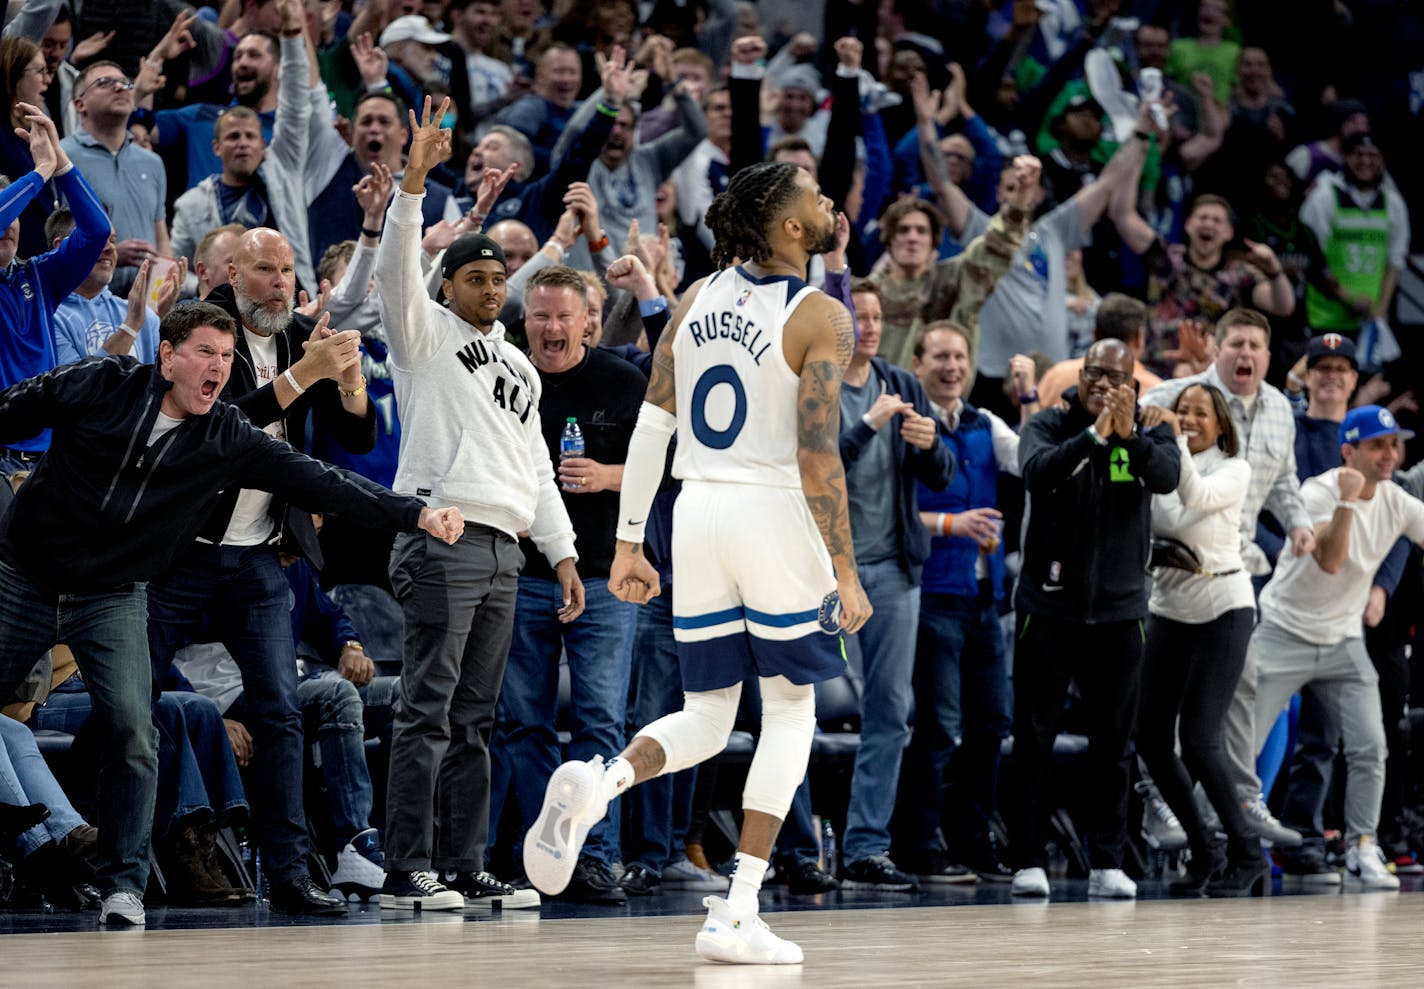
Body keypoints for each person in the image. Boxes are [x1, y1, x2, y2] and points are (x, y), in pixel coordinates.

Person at [0, 300, 464, 926]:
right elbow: (9, 411)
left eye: (226, 357)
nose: (218, 368)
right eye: (205, 354)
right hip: (21, 576)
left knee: (137, 733)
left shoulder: (225, 436)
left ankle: (122, 888)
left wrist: (415, 513)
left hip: (111, 593)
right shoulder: (99, 382)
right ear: (167, 357)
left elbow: (323, 480)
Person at [526, 159, 871, 965]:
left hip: (697, 511)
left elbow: (652, 425)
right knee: (790, 713)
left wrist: (630, 543)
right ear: (789, 226)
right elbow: (819, 453)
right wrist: (844, 570)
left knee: (711, 713)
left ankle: (602, 782)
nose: (827, 204)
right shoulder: (820, 314)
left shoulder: (696, 299)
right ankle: (740, 908)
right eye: (814, 196)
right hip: (773, 508)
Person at [374, 97, 582, 912]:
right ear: (448, 285)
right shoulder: (421, 334)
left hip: (503, 546)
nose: (493, 289)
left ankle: (462, 862)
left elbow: (534, 465)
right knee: (426, 709)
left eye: (501, 279)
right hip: (440, 532)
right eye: (477, 278)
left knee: (475, 717)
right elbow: (396, 268)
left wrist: (560, 553)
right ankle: (405, 866)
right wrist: (414, 185)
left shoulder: (521, 370)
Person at [1010, 338, 1180, 900]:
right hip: (1049, 606)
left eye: (1115, 376)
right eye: (1093, 374)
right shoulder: (1050, 426)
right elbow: (1036, 474)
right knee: (1034, 736)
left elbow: (1166, 477)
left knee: (1114, 743)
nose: (1102, 384)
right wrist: (1094, 435)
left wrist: (1128, 432)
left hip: (1121, 611)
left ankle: (1107, 862)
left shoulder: (1152, 430)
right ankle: (1028, 860)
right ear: (1078, 378)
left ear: (1133, 383)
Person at [1141, 308, 1316, 846]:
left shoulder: (1282, 410)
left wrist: (1299, 523)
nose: (1245, 354)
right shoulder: (1174, 396)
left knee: (1243, 686)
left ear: (1268, 355)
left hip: (1235, 568)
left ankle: (1240, 801)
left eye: (1255, 346)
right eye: (1236, 343)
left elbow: (1284, 480)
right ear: (1216, 347)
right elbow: (1130, 428)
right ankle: (1160, 802)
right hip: (1169, 567)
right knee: (1169, 702)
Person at [1250, 405, 1424, 891]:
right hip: (1286, 630)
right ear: (1350, 451)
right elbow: (1330, 561)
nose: (1390, 455)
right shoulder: (1317, 491)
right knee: (1244, 741)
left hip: (1343, 641)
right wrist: (1347, 504)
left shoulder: (1399, 501)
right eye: (1377, 445)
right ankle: (1213, 837)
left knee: (1372, 745)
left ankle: (1361, 846)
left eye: (1394, 444)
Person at [898, 322, 1035, 884]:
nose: (952, 366)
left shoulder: (983, 423)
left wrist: (1028, 399)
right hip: (933, 592)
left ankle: (974, 842)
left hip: (985, 597)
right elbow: (891, 511)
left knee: (990, 726)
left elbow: (1032, 459)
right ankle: (919, 847)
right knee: (938, 728)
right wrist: (952, 523)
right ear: (919, 362)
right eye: (940, 357)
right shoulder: (910, 423)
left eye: (960, 357)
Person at [835, 279, 955, 891]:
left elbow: (944, 472)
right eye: (860, 315)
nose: (872, 326)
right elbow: (813, 470)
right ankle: (801, 845)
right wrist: (865, 429)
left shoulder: (904, 385)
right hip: (830, 574)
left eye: (879, 317)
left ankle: (865, 847)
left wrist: (932, 445)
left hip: (896, 573)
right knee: (814, 712)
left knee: (891, 713)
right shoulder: (820, 385)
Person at [1135, 383, 1267, 896]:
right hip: (1168, 607)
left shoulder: (1233, 468)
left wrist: (1172, 439)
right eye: (1181, 409)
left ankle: (1247, 852)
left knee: (1199, 737)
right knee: (1149, 737)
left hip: (1223, 607)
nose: (1188, 418)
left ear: (1221, 424)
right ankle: (1204, 846)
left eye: (1199, 413)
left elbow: (1196, 497)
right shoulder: (1161, 463)